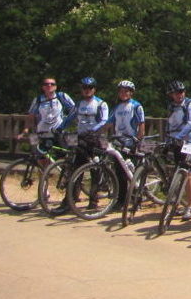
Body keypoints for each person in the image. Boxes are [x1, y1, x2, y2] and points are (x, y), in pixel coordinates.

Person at [57, 77, 109, 212]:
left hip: (95, 139)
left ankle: (93, 201)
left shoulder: (101, 104)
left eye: (90, 88)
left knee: (95, 170)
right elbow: (70, 118)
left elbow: (104, 121)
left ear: (94, 89)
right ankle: (70, 200)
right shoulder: (79, 104)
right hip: (80, 139)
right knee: (75, 169)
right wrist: (60, 128)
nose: (87, 90)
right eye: (84, 88)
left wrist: (93, 130)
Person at [105, 80, 146, 210]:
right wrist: (97, 133)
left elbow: (141, 124)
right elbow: (109, 123)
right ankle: (121, 200)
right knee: (120, 173)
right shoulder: (116, 107)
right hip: (119, 142)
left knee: (131, 172)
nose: (123, 94)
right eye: (121, 91)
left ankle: (136, 199)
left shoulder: (136, 106)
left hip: (131, 142)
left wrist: (138, 139)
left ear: (131, 93)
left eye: (126, 91)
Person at [164, 80, 191, 221]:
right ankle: (178, 203)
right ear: (171, 95)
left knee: (189, 174)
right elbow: (169, 123)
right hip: (176, 142)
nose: (179, 95)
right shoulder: (172, 106)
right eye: (176, 93)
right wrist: (168, 138)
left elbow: (190, 123)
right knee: (178, 172)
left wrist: (178, 136)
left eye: (181, 92)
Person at [19, 77, 75, 158]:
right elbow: (31, 117)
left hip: (59, 132)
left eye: (52, 84)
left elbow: (74, 110)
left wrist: (68, 123)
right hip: (42, 132)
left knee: (65, 157)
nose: (49, 85)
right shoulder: (38, 100)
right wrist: (25, 130)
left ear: (56, 87)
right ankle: (46, 170)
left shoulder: (62, 96)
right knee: (38, 156)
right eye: (46, 84)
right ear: (43, 87)